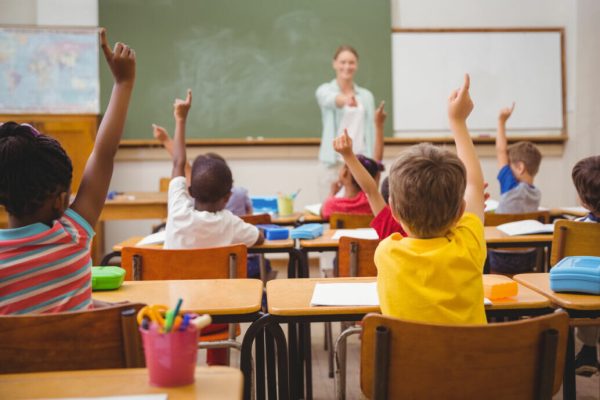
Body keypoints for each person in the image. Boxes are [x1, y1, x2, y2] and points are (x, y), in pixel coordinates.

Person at [0, 29, 136, 314]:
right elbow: (104, 153)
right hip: (86, 361)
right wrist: (123, 83)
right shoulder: (73, 236)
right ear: (61, 201)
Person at [374, 74, 487, 325]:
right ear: (460, 212)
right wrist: (457, 121)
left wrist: (456, 119)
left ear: (392, 209)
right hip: (473, 365)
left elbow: (473, 188)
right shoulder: (469, 245)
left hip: (408, 366)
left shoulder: (386, 252)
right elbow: (475, 186)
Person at [164, 89, 264, 365]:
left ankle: (176, 373)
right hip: (219, 320)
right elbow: (260, 239)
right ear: (229, 197)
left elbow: (177, 163)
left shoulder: (177, 211)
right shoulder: (230, 223)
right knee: (220, 302)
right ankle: (219, 373)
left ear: (190, 189)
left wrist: (180, 119)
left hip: (173, 316)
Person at [315, 45, 385, 199]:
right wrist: (346, 100)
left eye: (351, 62)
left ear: (357, 65)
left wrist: (374, 163)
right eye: (342, 62)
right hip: (333, 162)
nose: (347, 66)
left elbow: (371, 131)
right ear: (334, 64)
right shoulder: (324, 90)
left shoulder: (366, 96)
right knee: (330, 210)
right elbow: (330, 99)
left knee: (359, 209)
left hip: (359, 161)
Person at [490, 103, 543, 274]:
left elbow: (501, 152)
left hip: (501, 256)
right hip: (528, 256)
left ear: (519, 167)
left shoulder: (511, 188)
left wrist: (501, 122)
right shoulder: (536, 194)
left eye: (510, 166)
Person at [152, 125, 252, 216]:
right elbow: (250, 217)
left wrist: (165, 139)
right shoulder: (239, 194)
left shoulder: (186, 211)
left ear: (191, 190)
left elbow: (181, 164)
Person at [333, 130, 405, 239]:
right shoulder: (441, 233)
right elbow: (371, 191)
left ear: (393, 208)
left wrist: (347, 155)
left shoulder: (395, 232)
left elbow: (371, 191)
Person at [570, 155, 600, 376]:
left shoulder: (572, 229)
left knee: (582, 291)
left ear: (583, 201)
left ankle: (587, 351)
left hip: (588, 296)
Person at [320, 152, 383, 220]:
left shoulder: (332, 204)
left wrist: (332, 193)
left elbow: (322, 212)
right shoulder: (372, 204)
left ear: (345, 173)